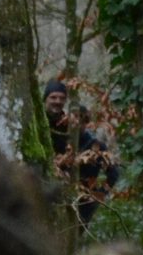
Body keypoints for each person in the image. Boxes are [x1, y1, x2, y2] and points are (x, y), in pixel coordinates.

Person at [42, 80, 119, 228]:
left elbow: (114, 173)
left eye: (61, 98)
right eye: (53, 97)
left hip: (83, 201)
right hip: (55, 195)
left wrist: (99, 194)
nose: (77, 123)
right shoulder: (54, 130)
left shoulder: (95, 145)